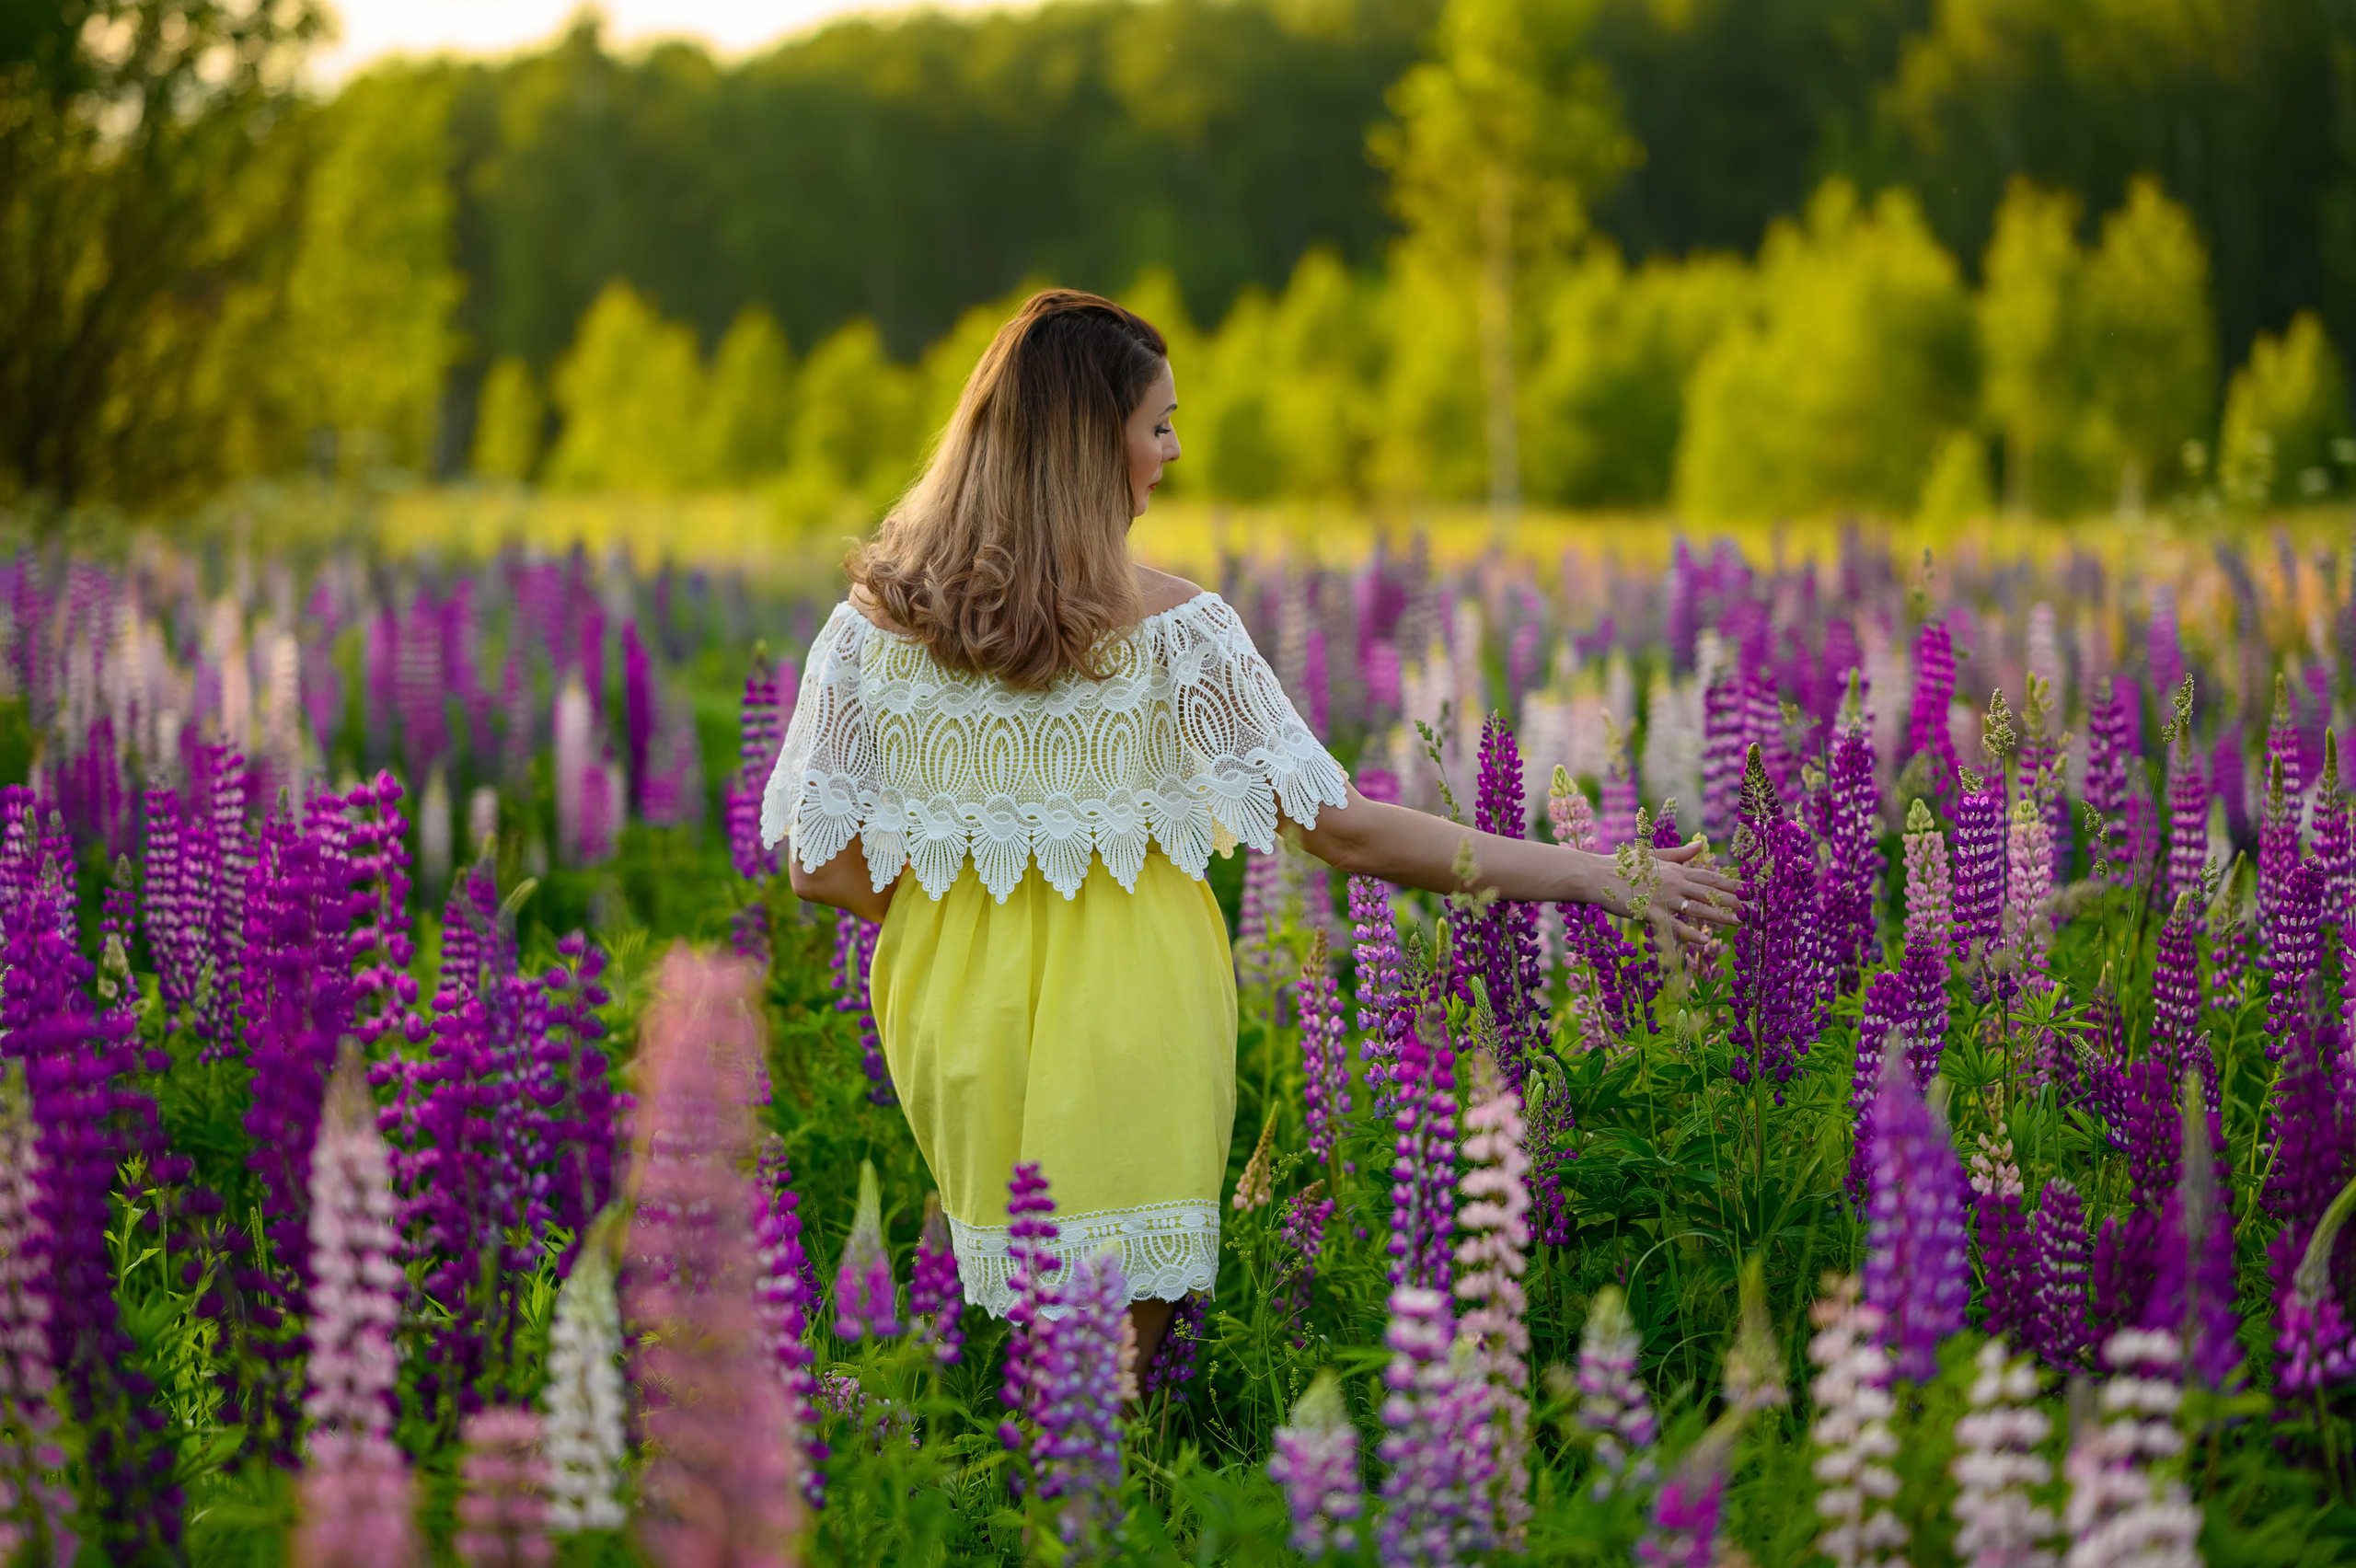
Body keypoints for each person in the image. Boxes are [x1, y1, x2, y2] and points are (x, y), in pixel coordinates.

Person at [763, 289, 1739, 1373]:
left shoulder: (868, 632)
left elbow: (819, 868)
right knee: (1119, 1383)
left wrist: (979, 919)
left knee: (1016, 1361)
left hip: (952, 1016)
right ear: (1094, 448)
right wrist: (1599, 875)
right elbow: (1350, 836)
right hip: (1142, 1005)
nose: (1173, 452)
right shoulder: (1181, 631)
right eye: (1158, 425)